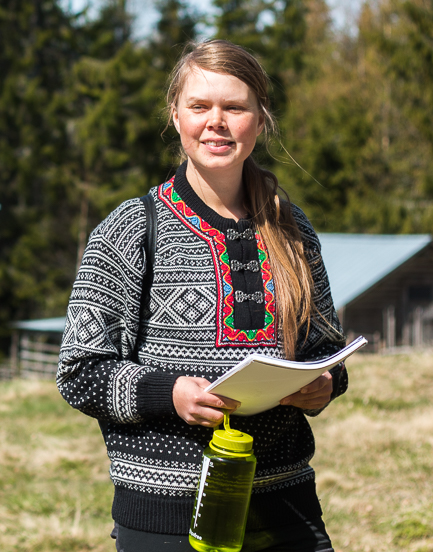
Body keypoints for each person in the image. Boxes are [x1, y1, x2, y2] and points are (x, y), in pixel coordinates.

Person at [57, 39, 348, 552]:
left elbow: (326, 350)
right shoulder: (132, 228)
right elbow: (80, 372)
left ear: (260, 119)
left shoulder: (293, 228)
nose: (217, 122)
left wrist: (324, 385)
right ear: (176, 115)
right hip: (165, 515)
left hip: (287, 510)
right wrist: (169, 394)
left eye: (234, 107)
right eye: (199, 106)